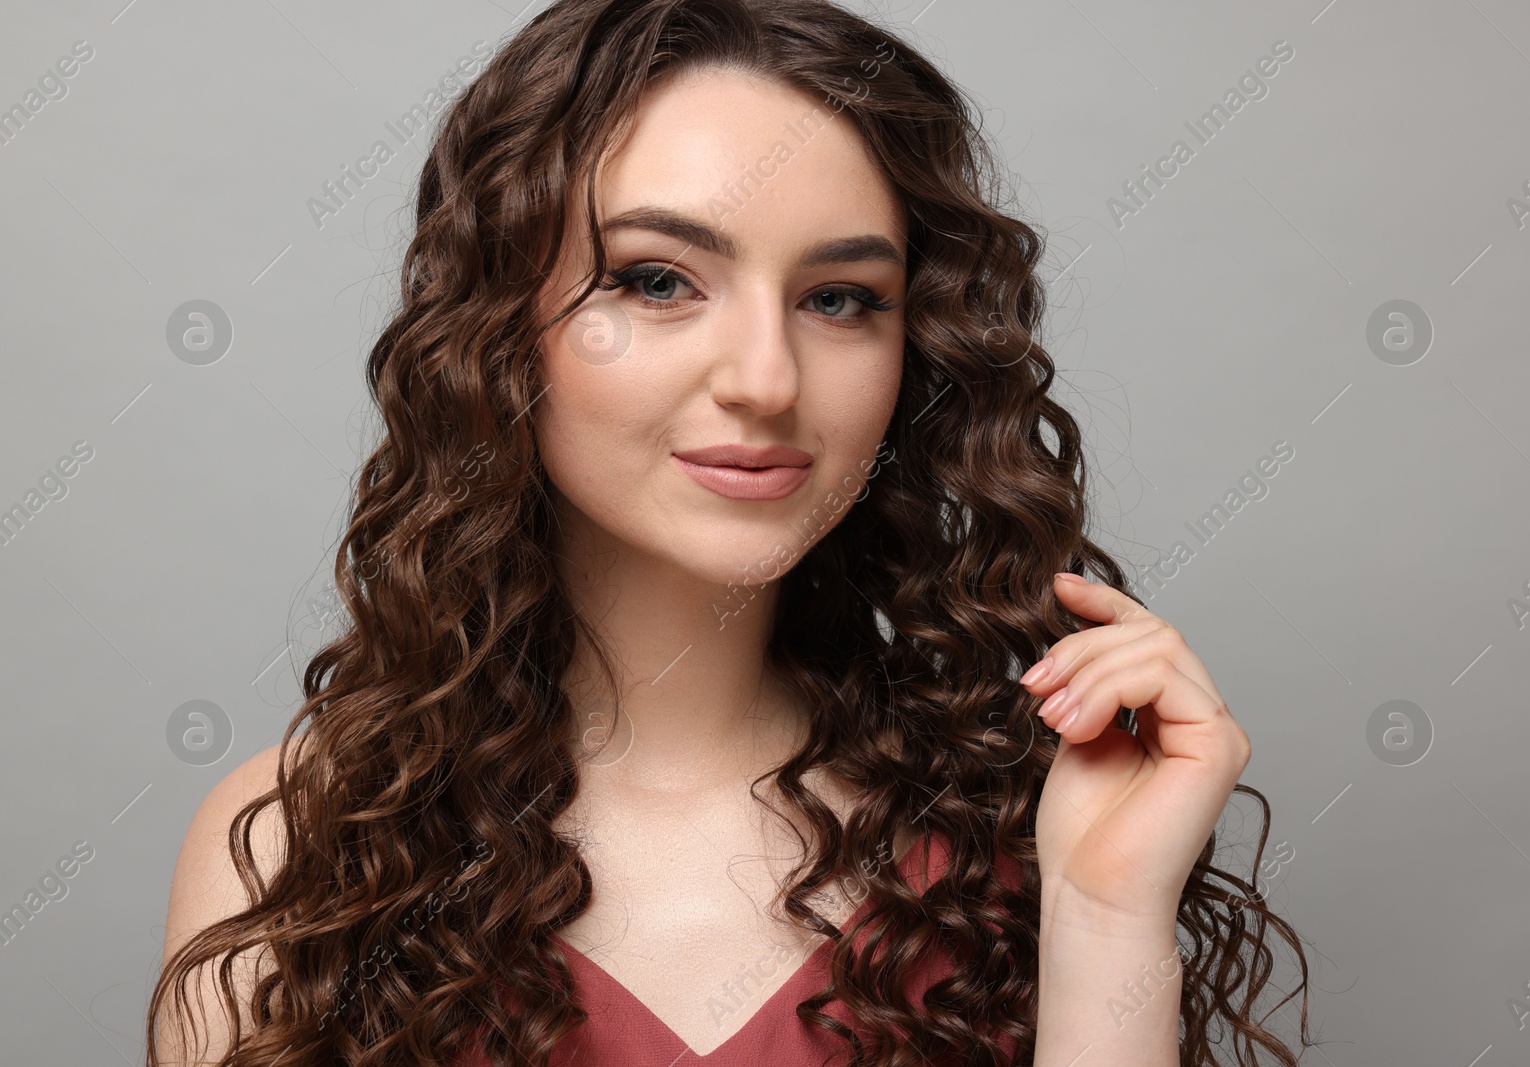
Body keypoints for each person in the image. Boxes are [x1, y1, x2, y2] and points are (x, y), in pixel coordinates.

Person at [147, 1, 1317, 1064]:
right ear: (499, 326)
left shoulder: (1024, 836)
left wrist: (1107, 918)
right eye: (658, 281)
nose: (765, 378)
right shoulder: (300, 846)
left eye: (839, 298)